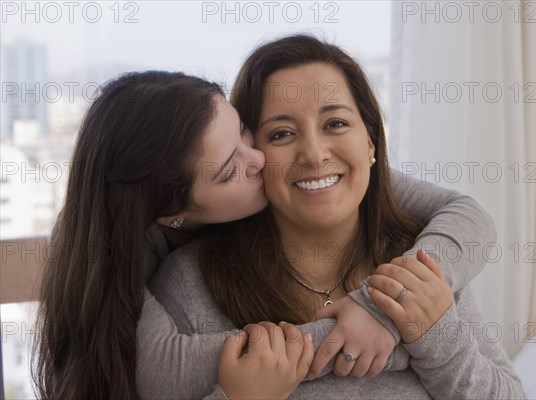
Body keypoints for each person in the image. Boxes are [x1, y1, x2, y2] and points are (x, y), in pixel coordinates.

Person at [33, 70, 494, 399]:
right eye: (232, 168)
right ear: (175, 212)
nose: (258, 160)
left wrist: (391, 313)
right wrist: (398, 326)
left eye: (243, 133)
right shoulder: (151, 273)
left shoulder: (407, 245)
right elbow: (160, 372)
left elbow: (469, 214)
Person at [140, 34, 524, 399]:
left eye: (335, 124)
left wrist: (435, 336)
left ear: (370, 141)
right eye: (282, 134)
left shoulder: (423, 257)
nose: (314, 153)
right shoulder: (191, 283)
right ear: (255, 156)